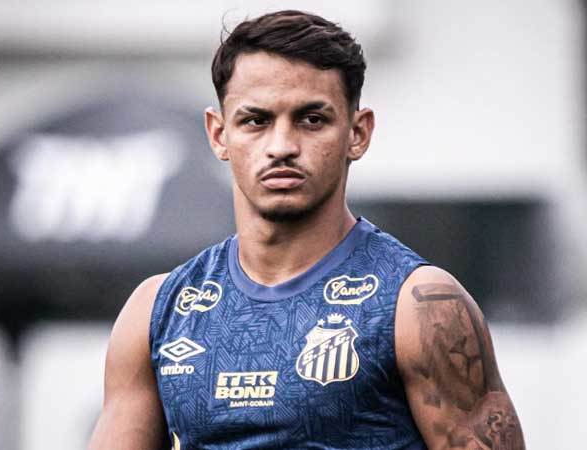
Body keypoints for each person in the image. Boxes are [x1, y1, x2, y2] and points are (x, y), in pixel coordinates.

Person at [89, 10, 525, 450]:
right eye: (256, 120)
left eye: (311, 119)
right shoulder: (157, 310)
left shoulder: (420, 306)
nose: (281, 146)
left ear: (358, 132)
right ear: (218, 134)